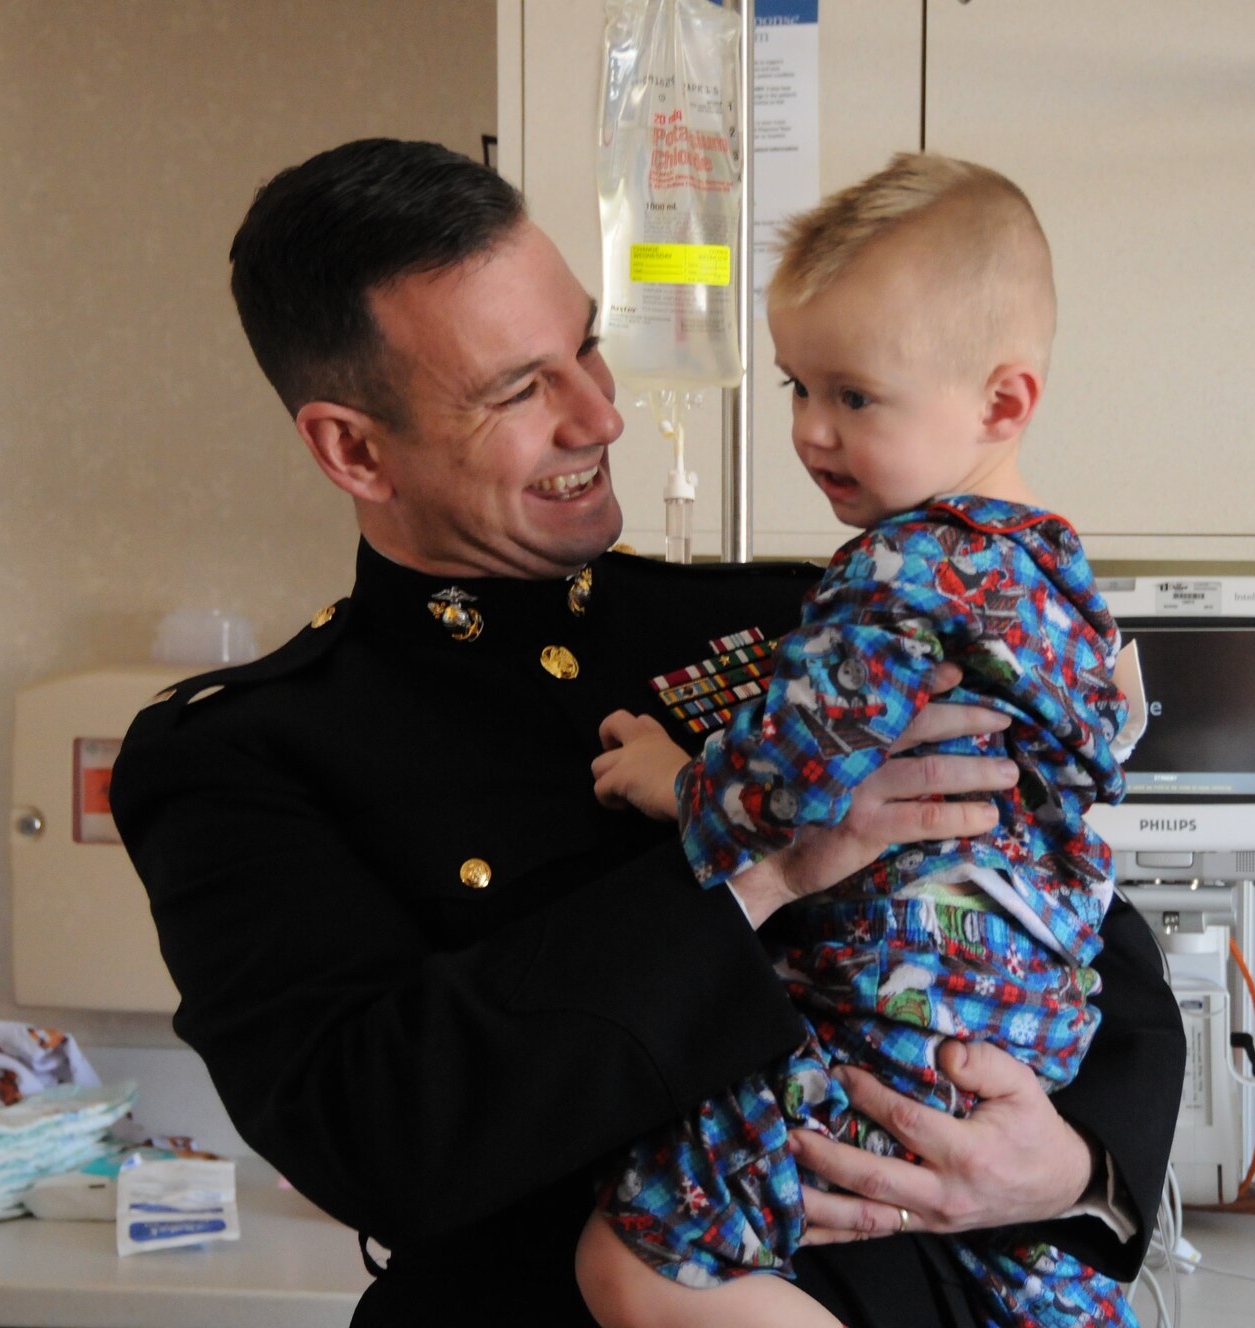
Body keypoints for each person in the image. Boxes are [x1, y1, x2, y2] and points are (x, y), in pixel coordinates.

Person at [109, 138, 1185, 1327]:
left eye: (585, 347)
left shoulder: (800, 614)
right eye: (520, 389)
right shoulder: (244, 757)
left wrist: (1075, 1167)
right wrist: (757, 864)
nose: (601, 414)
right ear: (354, 447)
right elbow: (378, 1130)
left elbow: (1083, 929)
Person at [579, 155, 1142, 1328]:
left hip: (892, 1008)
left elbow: (788, 773)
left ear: (1002, 402)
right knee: (1010, 1259)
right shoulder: (1059, 578)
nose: (809, 432)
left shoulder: (896, 570)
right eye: (796, 387)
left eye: (853, 397)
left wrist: (671, 782)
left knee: (634, 1254)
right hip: (1021, 1022)